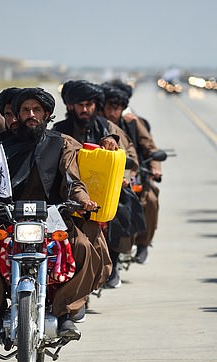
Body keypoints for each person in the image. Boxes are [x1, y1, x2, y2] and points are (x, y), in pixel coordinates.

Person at [0, 87, 111, 345]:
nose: (31, 115)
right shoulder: (0, 144)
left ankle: (65, 310)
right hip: (7, 217)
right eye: (25, 110)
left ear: (47, 114)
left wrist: (83, 200)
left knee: (83, 247)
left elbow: (73, 179)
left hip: (53, 216)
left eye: (36, 110)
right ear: (17, 115)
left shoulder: (61, 142)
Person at [53, 80, 138, 288]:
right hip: (70, 191)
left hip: (105, 190)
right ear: (70, 106)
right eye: (79, 105)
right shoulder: (59, 130)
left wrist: (121, 171)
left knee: (124, 211)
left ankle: (114, 262)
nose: (84, 109)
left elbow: (130, 159)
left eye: (89, 105)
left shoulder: (108, 127)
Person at [100, 82, 161, 264]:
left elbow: (149, 146)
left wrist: (155, 168)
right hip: (103, 178)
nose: (112, 112)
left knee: (150, 199)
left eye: (116, 108)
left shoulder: (133, 122)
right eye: (108, 108)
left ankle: (143, 243)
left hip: (133, 174)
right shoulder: (97, 125)